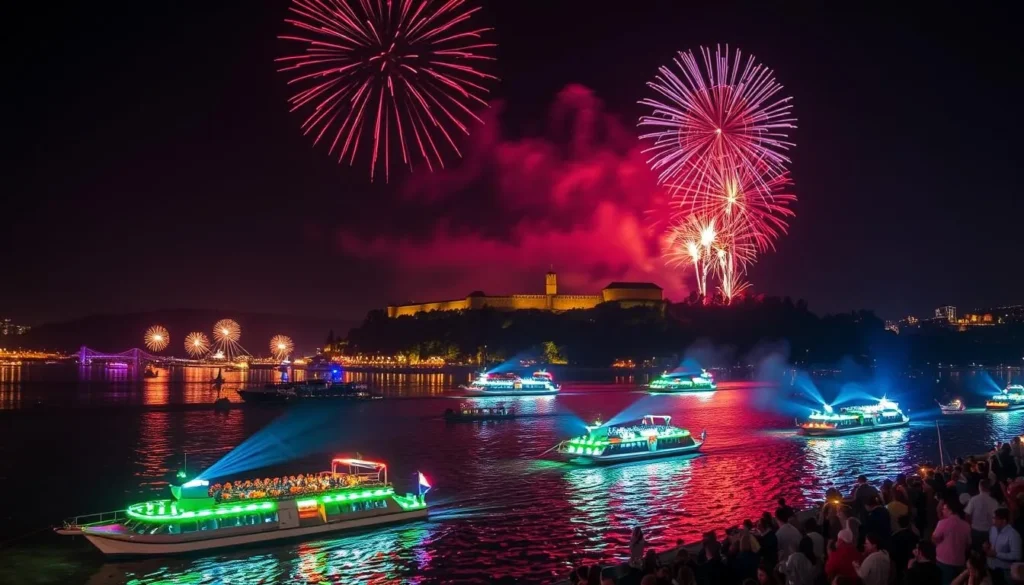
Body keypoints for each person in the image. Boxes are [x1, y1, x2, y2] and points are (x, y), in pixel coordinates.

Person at [934, 498, 973, 585]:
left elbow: (935, 538)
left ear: (950, 510)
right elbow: (968, 544)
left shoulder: (942, 523)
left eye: (944, 509)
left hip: (943, 561)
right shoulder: (966, 525)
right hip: (959, 561)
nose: (943, 511)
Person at [985, 508, 1022, 585]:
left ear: (1004, 521)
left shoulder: (1013, 535)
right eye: (993, 518)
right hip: (990, 566)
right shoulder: (993, 529)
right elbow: (992, 544)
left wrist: (997, 554)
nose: (993, 520)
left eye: (995, 518)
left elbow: (1017, 556)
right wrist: (987, 546)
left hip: (1003, 571)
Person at [967, 480, 1002, 551]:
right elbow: (997, 517)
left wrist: (969, 525)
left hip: (975, 530)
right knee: (986, 551)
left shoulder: (973, 499)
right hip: (989, 531)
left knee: (975, 552)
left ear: (980, 487)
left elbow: (967, 514)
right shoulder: (994, 502)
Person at [891, 514, 920, 584]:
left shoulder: (895, 536)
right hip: (910, 559)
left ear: (898, 524)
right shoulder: (914, 535)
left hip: (898, 560)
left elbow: (893, 550)